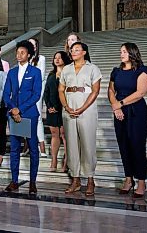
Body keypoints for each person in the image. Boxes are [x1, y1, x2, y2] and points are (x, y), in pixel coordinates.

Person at [108, 42, 147, 198]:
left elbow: (140, 93)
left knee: (137, 146)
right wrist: (116, 107)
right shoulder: (116, 71)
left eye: (124, 51)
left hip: (136, 111)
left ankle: (141, 182)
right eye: (120, 51)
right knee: (123, 145)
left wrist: (120, 103)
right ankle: (128, 179)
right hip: (119, 111)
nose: (121, 54)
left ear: (132, 53)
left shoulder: (142, 71)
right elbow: (111, 90)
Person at [58, 42, 101, 196]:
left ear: (84, 52)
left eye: (77, 50)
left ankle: (90, 179)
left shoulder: (92, 68)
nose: (73, 52)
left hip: (86, 108)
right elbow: (61, 90)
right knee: (71, 145)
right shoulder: (66, 69)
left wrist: (82, 108)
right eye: (72, 50)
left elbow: (95, 91)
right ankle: (75, 179)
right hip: (69, 108)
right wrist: (66, 107)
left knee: (87, 144)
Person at [3, 40, 42, 194]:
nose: (19, 55)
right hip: (13, 115)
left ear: (29, 55)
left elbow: (36, 94)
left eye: (22, 52)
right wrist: (13, 109)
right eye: (18, 52)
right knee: (14, 149)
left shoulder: (35, 72)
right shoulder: (12, 72)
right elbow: (6, 94)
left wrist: (20, 110)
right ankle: (14, 181)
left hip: (29, 114)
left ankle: (33, 182)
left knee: (33, 149)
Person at [43, 51, 72, 172]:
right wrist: (49, 106)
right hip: (51, 110)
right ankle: (53, 161)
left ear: (65, 59)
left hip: (63, 109)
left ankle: (67, 162)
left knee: (65, 136)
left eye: (60, 58)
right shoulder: (51, 75)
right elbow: (46, 93)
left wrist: (58, 107)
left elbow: (68, 93)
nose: (57, 59)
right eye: (55, 58)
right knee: (54, 135)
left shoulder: (69, 74)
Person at [27, 38, 47, 158]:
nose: (31, 46)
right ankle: (28, 146)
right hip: (25, 92)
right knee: (26, 118)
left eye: (33, 44)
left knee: (37, 117)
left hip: (36, 91)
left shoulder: (41, 58)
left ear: (36, 47)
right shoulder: (25, 59)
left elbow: (40, 75)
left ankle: (42, 146)